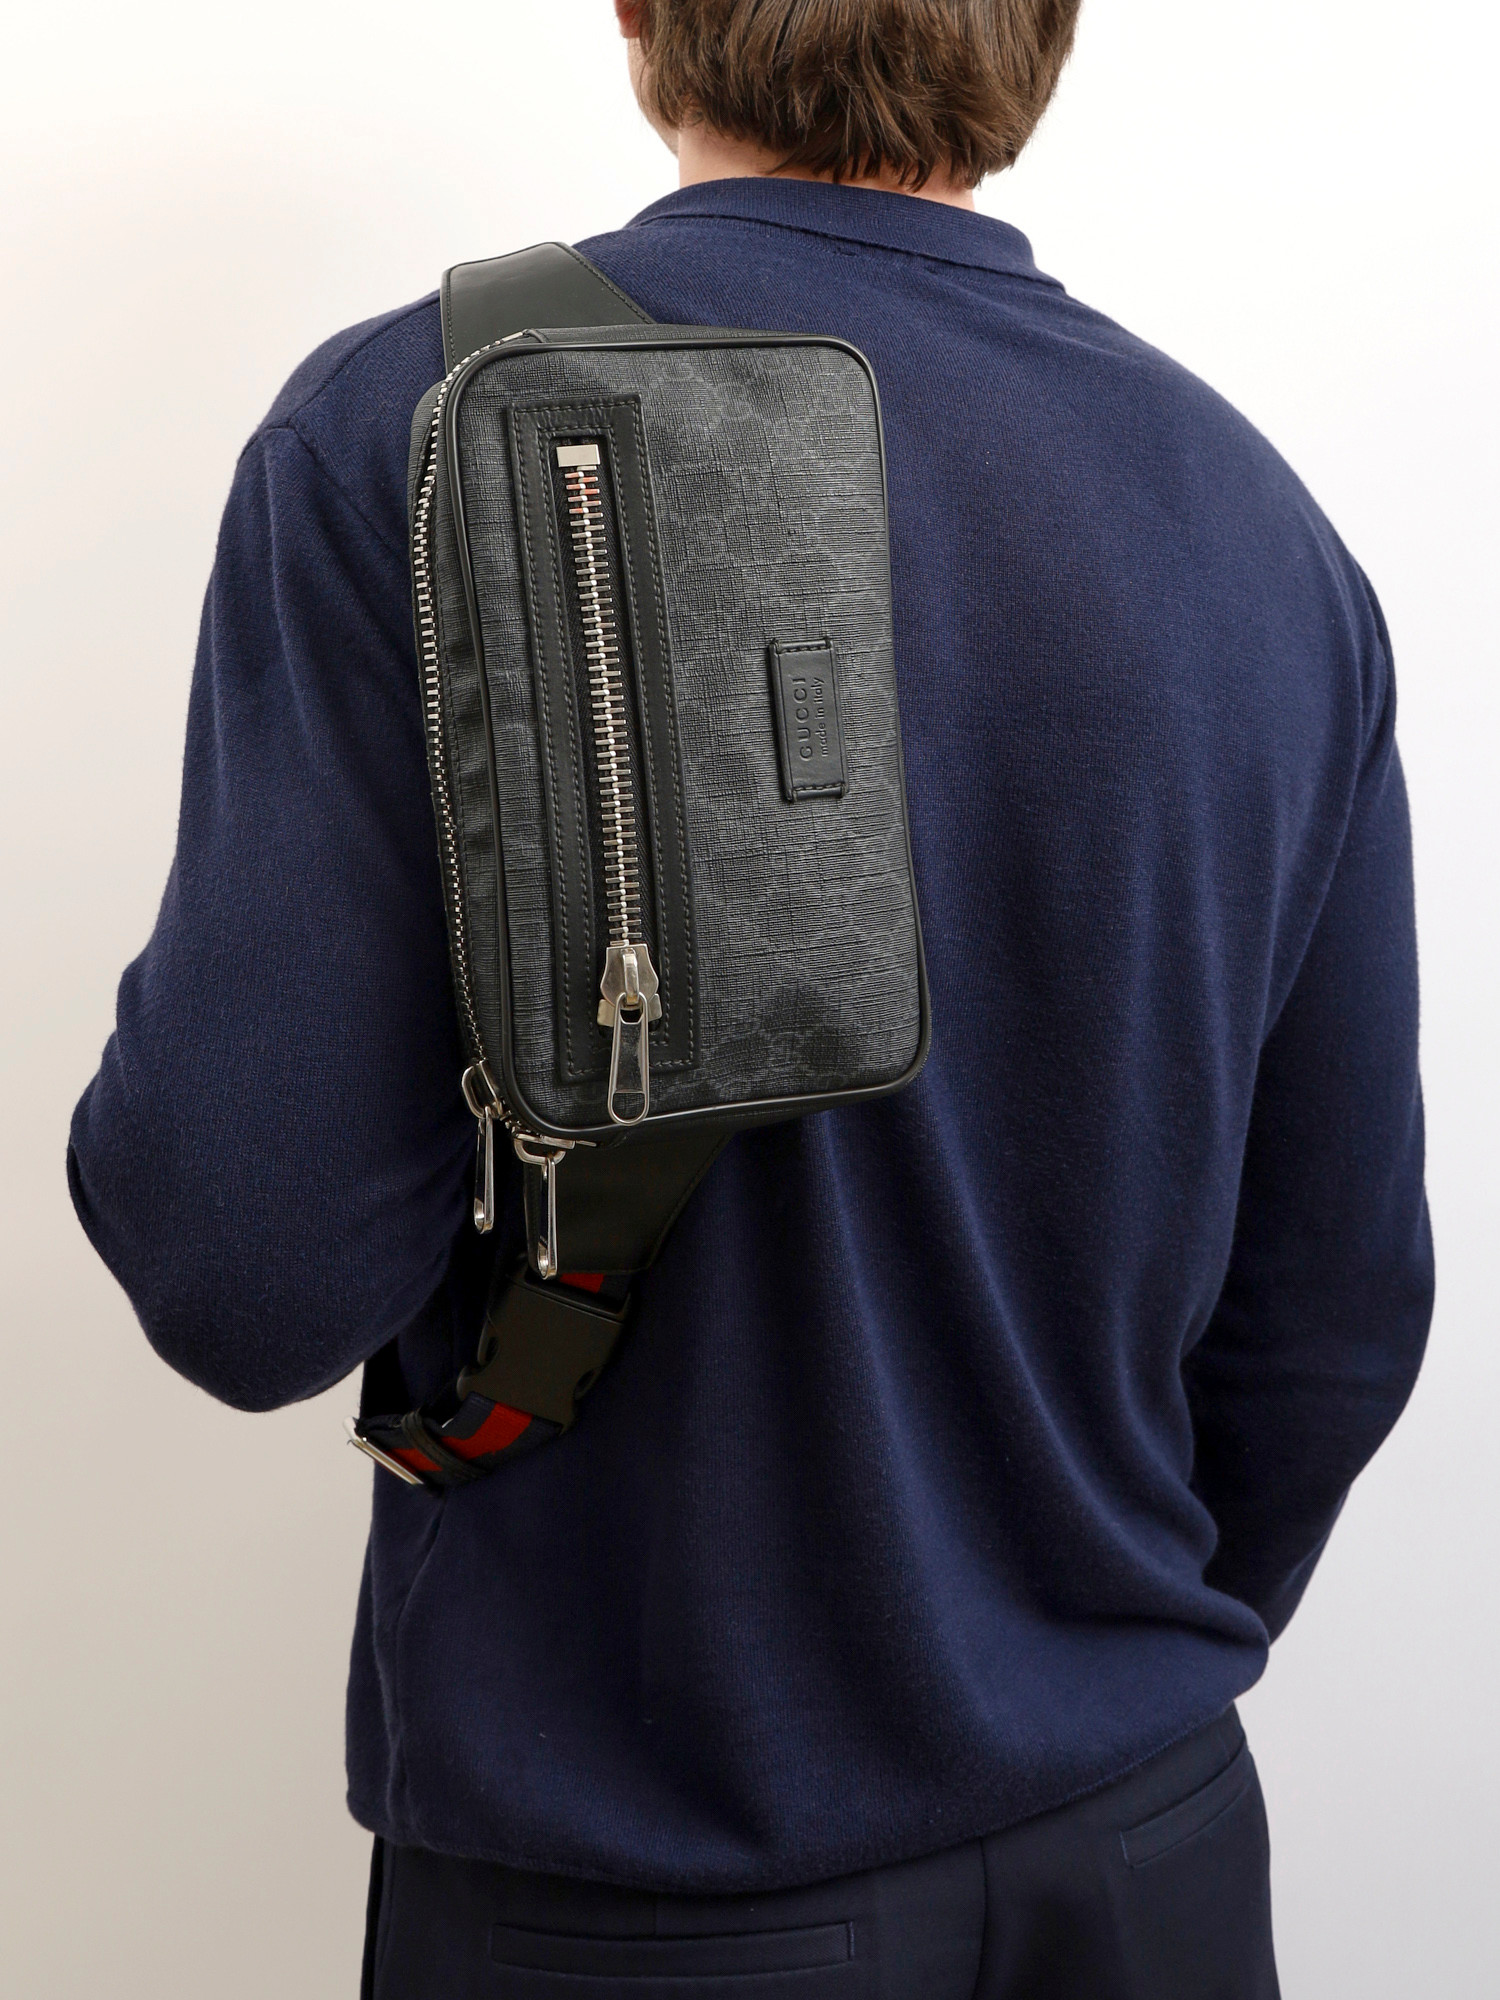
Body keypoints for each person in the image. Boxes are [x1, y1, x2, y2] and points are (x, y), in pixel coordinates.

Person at [67, 2, 1433, 1994]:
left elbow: (244, 1268)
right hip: (1152, 1854)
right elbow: (1337, 1317)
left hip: (651, 1886)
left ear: (642, 11)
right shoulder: (1258, 522)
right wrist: (1067, 1655)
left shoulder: (419, 427)